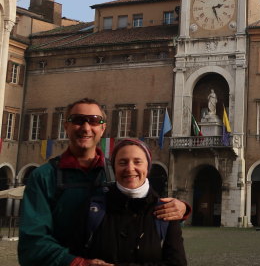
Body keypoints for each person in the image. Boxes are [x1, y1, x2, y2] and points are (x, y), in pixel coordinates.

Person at [18, 98, 188, 266]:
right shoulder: (44, 177)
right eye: (78, 120)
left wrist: (181, 209)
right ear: (66, 126)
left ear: (102, 128)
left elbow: (144, 210)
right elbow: (32, 243)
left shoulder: (118, 172)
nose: (86, 128)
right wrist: (77, 263)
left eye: (93, 121)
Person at [79, 138, 187, 265]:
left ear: (147, 167)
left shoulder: (167, 210)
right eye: (123, 162)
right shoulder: (94, 206)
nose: (130, 168)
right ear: (114, 168)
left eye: (137, 162)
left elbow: (177, 263)